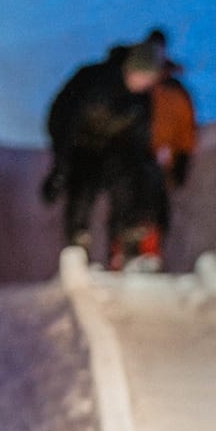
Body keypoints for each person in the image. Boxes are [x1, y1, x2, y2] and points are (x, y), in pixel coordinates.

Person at [41, 41, 164, 270]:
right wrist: (60, 165)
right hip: (81, 145)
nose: (144, 84)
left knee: (128, 178)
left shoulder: (141, 99)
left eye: (149, 80)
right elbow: (63, 118)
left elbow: (139, 140)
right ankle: (77, 246)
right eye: (142, 77)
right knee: (82, 188)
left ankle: (126, 245)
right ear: (130, 69)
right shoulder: (94, 80)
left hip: (113, 148)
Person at [145, 30, 198, 263]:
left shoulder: (175, 93)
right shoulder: (139, 89)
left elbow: (185, 128)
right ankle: (126, 255)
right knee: (131, 205)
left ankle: (151, 253)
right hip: (135, 159)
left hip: (161, 160)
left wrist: (182, 159)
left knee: (156, 208)